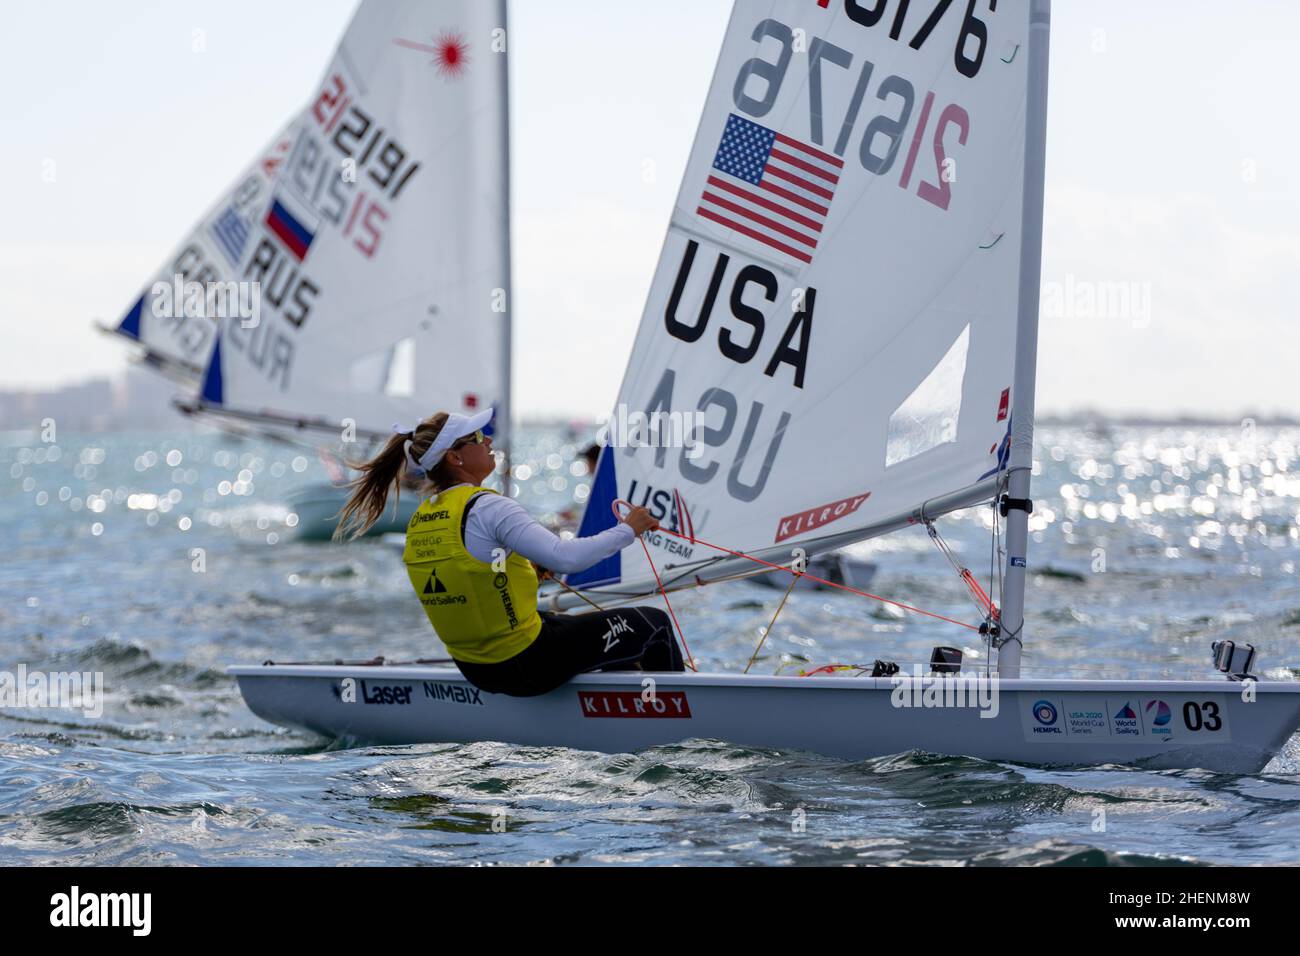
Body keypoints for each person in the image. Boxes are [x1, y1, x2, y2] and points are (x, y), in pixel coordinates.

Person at [336, 409, 685, 696]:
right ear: (455, 457)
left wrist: (527, 570)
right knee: (654, 625)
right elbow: (566, 558)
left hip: (478, 670)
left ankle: (615, 702)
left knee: (580, 629)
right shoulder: (490, 507)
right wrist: (630, 528)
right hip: (528, 663)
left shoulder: (423, 518)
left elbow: (471, 576)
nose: (487, 440)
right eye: (476, 437)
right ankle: (679, 718)